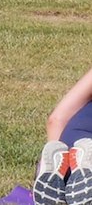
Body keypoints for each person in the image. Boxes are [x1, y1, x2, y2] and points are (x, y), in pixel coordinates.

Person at [32, 68, 92, 205]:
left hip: (72, 141)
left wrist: (56, 157)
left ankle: (61, 172)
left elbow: (56, 119)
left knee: (73, 171)